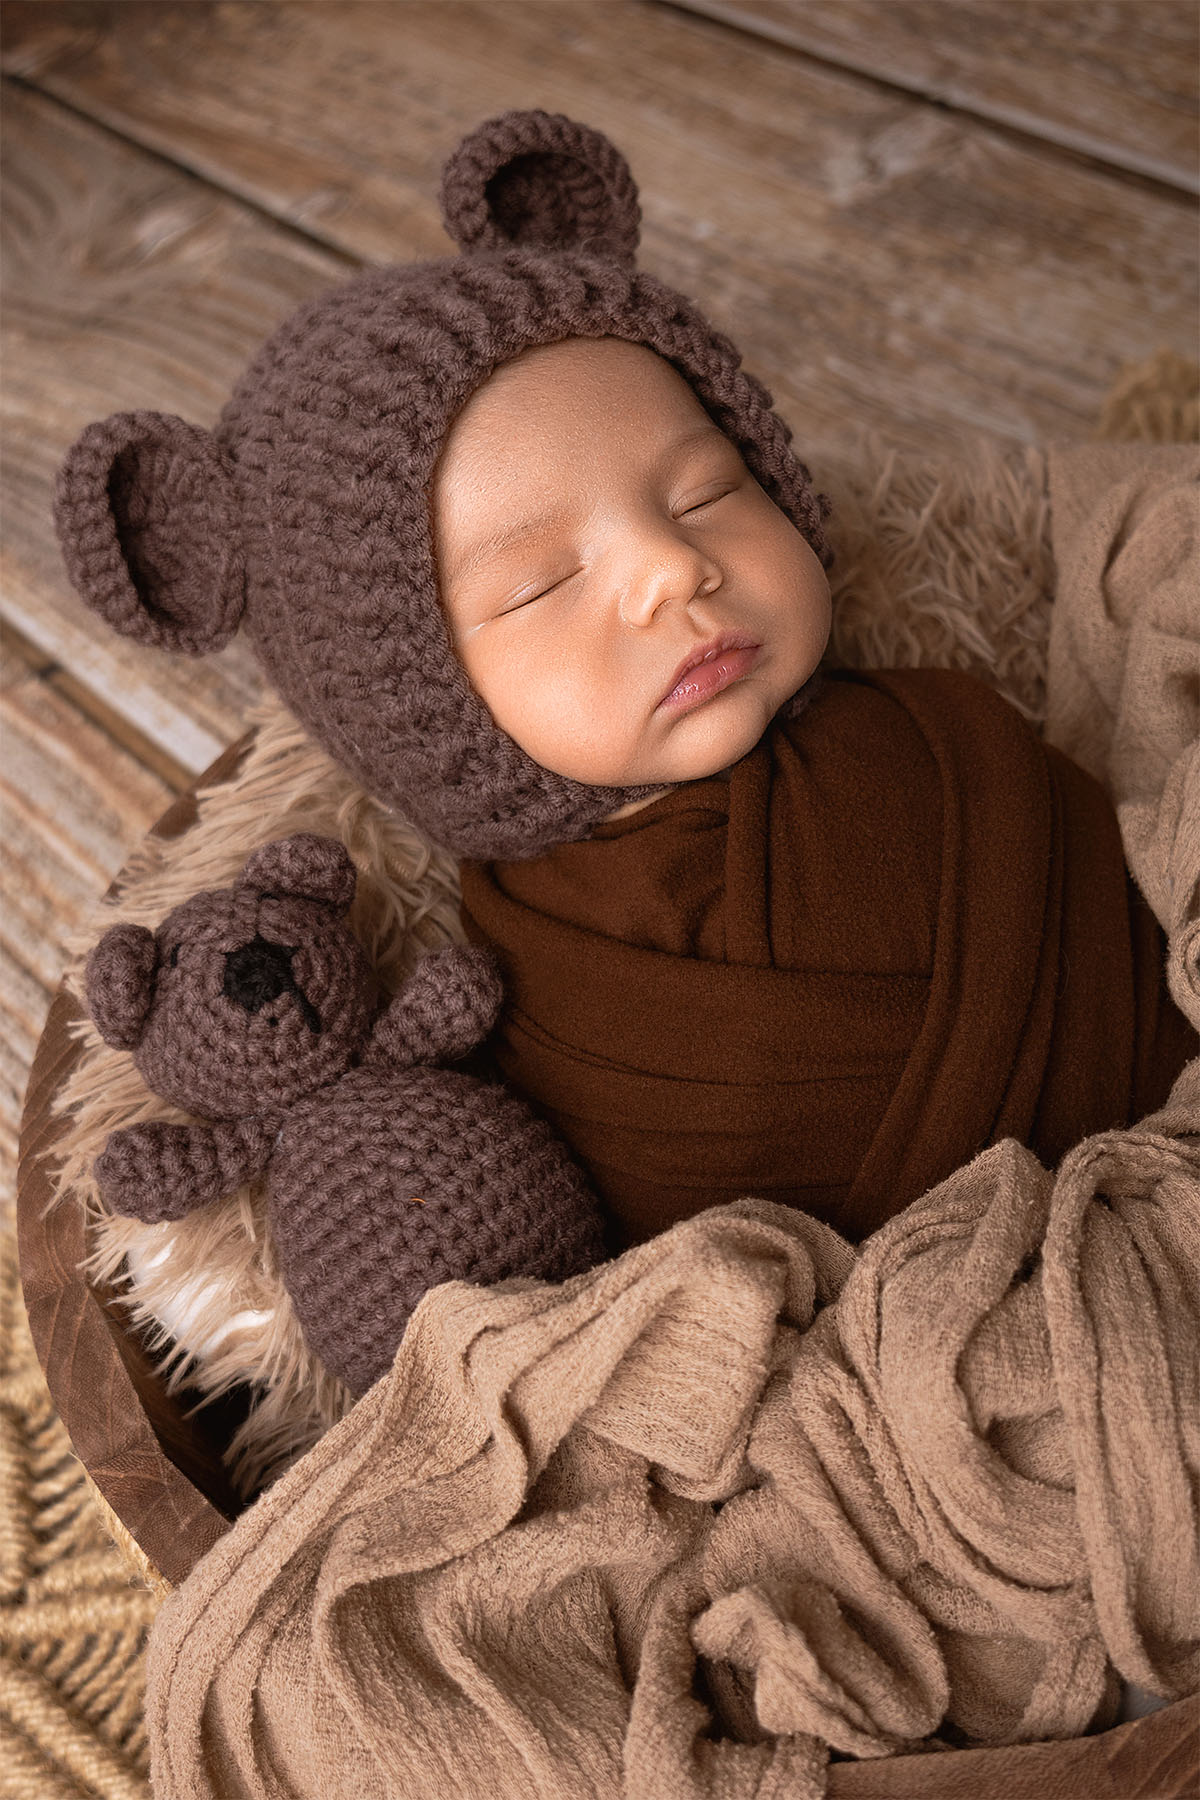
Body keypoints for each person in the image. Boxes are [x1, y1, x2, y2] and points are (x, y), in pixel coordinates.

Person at [53, 107, 1198, 1256]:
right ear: (415, 714)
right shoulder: (549, 999)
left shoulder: (936, 725)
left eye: (705, 493)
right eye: (544, 583)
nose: (672, 567)